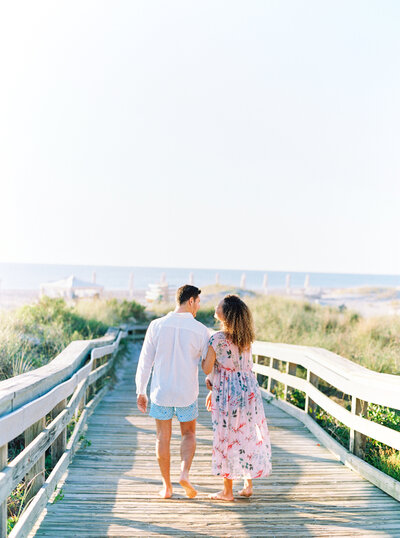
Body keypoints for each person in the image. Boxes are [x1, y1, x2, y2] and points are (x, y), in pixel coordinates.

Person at [136, 284, 209, 499]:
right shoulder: (200, 330)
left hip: (161, 392)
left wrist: (141, 390)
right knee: (189, 433)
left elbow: (145, 361)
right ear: (190, 301)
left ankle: (166, 487)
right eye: (197, 302)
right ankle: (184, 473)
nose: (198, 308)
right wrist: (212, 383)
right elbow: (208, 363)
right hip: (187, 392)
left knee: (162, 437)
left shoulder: (156, 325)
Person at [202, 294, 272, 501]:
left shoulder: (217, 339)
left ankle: (227, 491)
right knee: (247, 433)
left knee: (226, 437)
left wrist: (203, 358)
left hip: (226, 392)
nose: (216, 306)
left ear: (226, 313)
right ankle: (248, 485)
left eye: (219, 306)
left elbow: (208, 367)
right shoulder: (246, 336)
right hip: (248, 389)